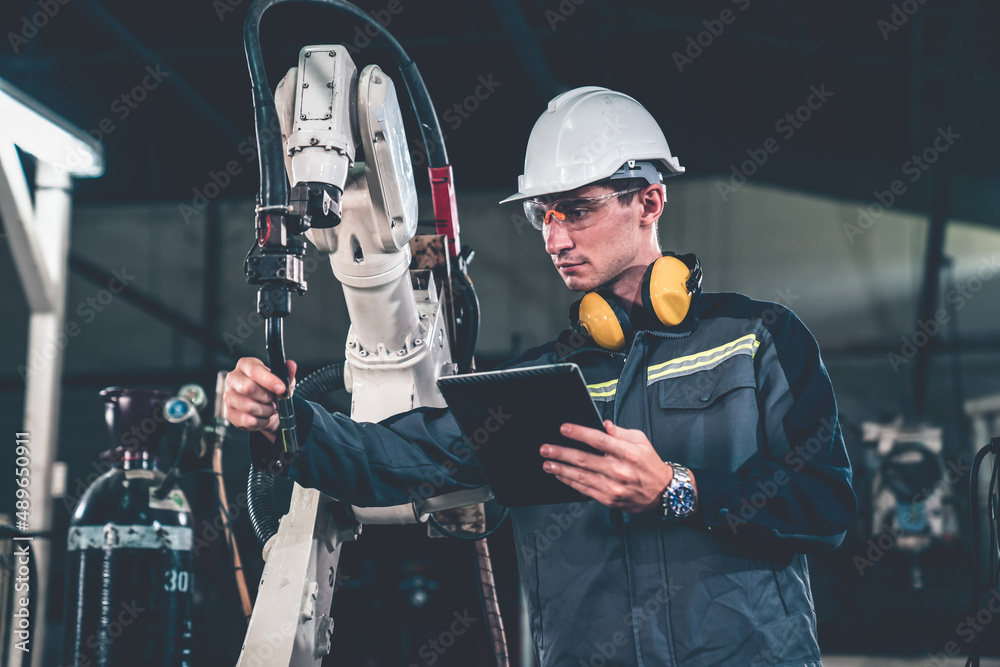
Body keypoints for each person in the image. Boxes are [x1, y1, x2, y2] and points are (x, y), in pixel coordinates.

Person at [226, 86, 857, 666]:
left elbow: (827, 505)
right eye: (543, 216)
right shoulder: (538, 384)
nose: (554, 240)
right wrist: (282, 421)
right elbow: (392, 458)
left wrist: (677, 487)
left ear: (649, 201)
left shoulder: (757, 339)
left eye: (576, 211)